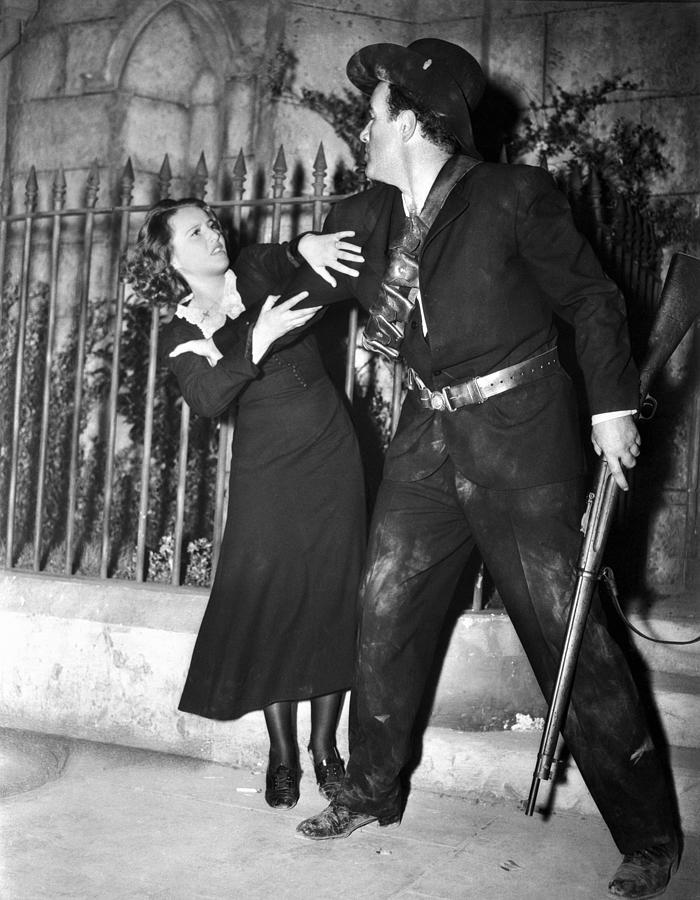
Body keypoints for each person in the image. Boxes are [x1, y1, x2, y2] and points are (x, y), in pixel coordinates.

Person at [281, 39, 680, 900]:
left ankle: (649, 833)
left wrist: (612, 409)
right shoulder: (366, 217)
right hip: (426, 441)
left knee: (569, 636)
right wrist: (294, 255)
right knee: (383, 605)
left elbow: (591, 299)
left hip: (522, 438)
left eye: (374, 111)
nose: (363, 127)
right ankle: (371, 789)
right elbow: (272, 285)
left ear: (417, 123)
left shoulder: (513, 197)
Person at [125, 198, 367, 810]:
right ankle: (283, 754)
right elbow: (206, 397)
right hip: (266, 470)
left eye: (211, 222)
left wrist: (305, 245)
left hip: (330, 450)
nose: (214, 234)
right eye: (196, 231)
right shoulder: (185, 330)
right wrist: (253, 340)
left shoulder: (255, 274)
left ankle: (325, 751)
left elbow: (282, 256)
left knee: (334, 593)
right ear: (170, 257)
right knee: (274, 603)